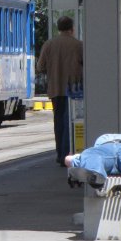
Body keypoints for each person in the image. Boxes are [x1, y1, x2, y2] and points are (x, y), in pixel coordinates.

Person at [36, 15, 83, 166]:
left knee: (59, 122)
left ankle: (60, 154)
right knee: (71, 121)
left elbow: (40, 66)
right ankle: (67, 153)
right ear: (72, 28)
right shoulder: (78, 45)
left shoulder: (49, 44)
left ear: (58, 28)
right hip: (74, 90)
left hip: (55, 88)